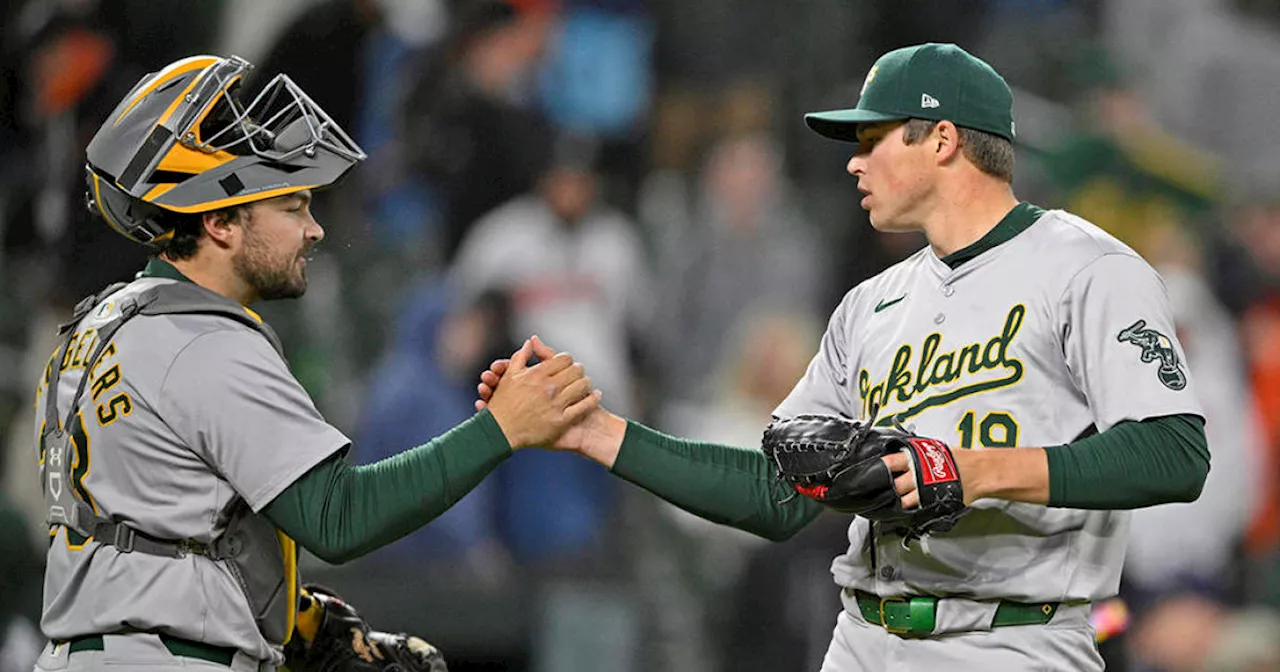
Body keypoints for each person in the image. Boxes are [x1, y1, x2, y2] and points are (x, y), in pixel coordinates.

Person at [477, 43, 1210, 671]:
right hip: (864, 637)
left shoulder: (1087, 269)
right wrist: (594, 431)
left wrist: (978, 469)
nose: (855, 164)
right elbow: (775, 496)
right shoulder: (871, 304)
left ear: (944, 140)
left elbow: (1175, 453)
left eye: (873, 140)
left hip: (1014, 640)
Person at [31, 54, 599, 672]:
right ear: (220, 222)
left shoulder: (97, 326)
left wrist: (300, 622)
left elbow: (163, 525)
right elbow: (337, 518)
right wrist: (501, 429)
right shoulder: (204, 342)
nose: (315, 230)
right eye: (293, 206)